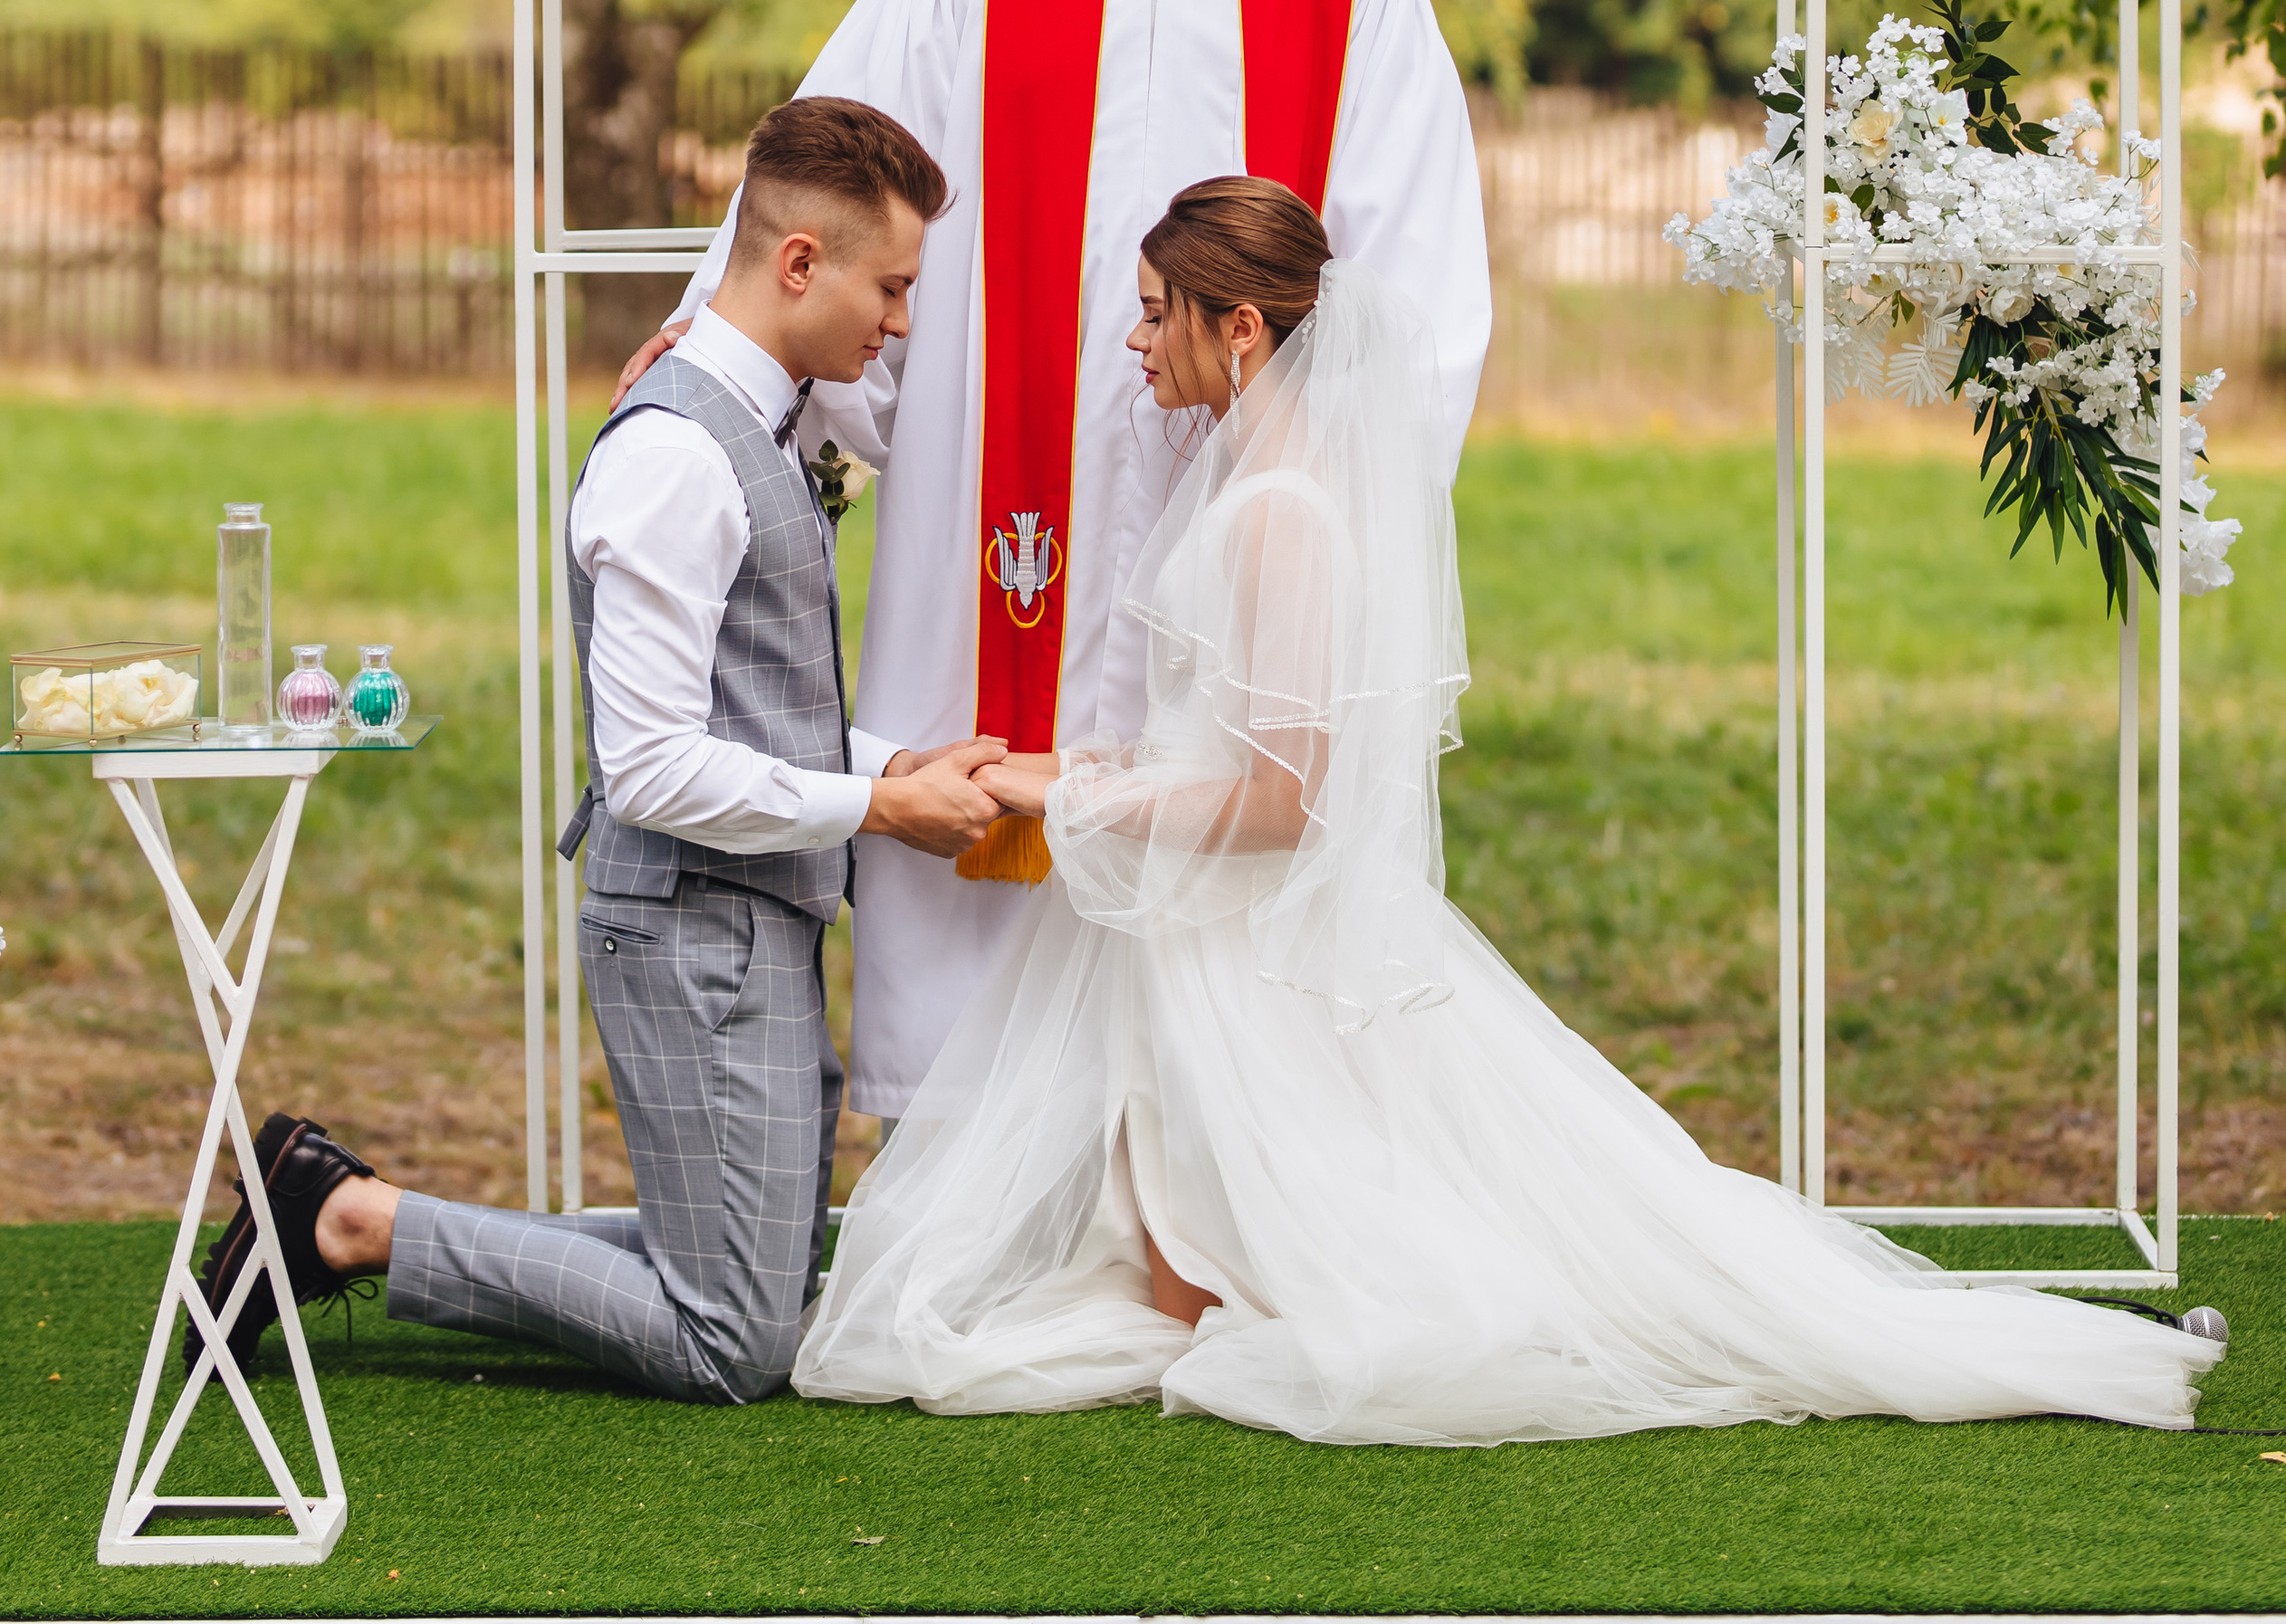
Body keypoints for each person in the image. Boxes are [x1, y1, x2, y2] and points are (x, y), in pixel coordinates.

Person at [791, 175, 2221, 1447]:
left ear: (1242, 331)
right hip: (1188, 936)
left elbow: (1286, 801)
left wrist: (1072, 788)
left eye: (1157, 312)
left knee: (1308, 1273)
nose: (1133, 339)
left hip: (1235, 930)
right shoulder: (1261, 483)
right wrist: (1072, 781)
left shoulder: (1281, 512)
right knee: (1181, 1270)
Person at [614, 0, 1493, 1122]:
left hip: (1236, 499)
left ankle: (1214, 1165)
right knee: (980, 789)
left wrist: (1343, 504)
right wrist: (722, 328)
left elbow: (1413, 276)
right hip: (996, 499)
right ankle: (965, 1155)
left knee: (1222, 803)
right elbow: (833, 168)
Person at [192, 98, 1005, 1404]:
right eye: (892, 285)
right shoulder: (678, 458)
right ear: (800, 263)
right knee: (734, 1346)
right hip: (689, 931)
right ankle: (352, 1220)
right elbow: (654, 770)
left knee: (762, 1287)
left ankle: (339, 1209)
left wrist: (898, 763)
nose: (901, 321)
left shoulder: (770, 425)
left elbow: (748, 704)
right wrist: (877, 808)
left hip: (749, 919)